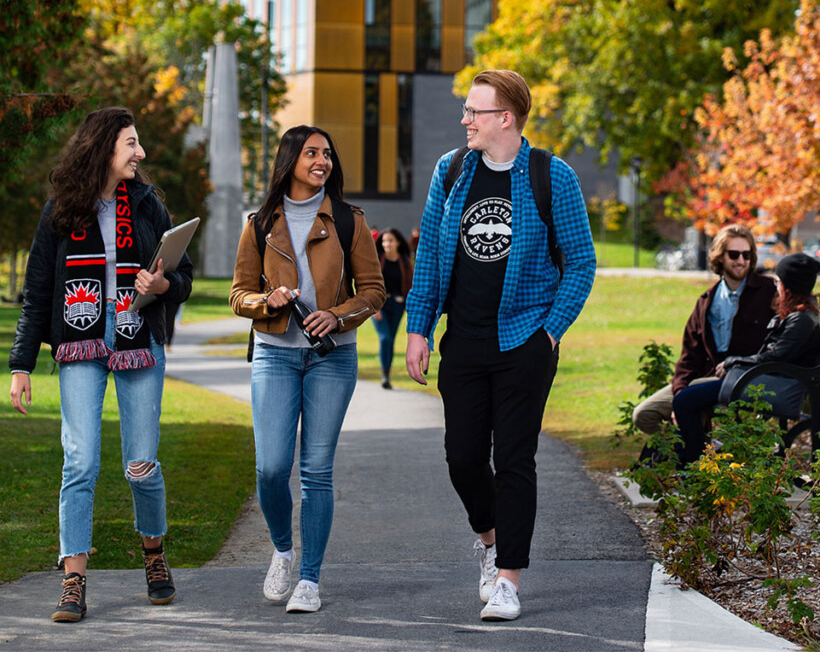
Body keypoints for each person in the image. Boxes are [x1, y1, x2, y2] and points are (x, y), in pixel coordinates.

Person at [405, 69, 596, 622]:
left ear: (505, 119)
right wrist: (419, 329)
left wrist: (550, 331)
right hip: (462, 342)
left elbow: (580, 264)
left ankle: (509, 578)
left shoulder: (551, 177)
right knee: (463, 457)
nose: (465, 120)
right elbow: (434, 260)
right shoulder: (453, 170)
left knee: (514, 459)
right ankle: (488, 542)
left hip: (523, 343)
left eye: (474, 111)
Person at [8, 107, 193, 622]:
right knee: (81, 461)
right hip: (79, 343)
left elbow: (183, 277)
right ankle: (73, 581)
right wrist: (21, 365)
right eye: (132, 143)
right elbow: (37, 292)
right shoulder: (61, 210)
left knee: (140, 465)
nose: (141, 153)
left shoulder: (149, 204)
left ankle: (154, 557)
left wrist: (163, 287)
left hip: (139, 341)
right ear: (104, 148)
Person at [230, 125, 385, 613]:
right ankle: (282, 550)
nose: (323, 161)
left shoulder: (348, 220)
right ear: (290, 158)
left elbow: (374, 291)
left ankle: (311, 581)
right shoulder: (259, 223)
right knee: (272, 467)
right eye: (312, 152)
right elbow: (238, 294)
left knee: (317, 470)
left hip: (332, 357)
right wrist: (266, 299)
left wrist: (337, 315)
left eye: (328, 154)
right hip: (274, 353)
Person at [672, 252, 820, 466]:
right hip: (772, 383)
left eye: (778, 281)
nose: (775, 285)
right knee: (692, 394)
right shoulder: (803, 316)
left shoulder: (801, 320)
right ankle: (694, 461)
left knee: (683, 401)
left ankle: (692, 464)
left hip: (773, 389)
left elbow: (774, 358)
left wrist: (732, 362)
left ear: (787, 286)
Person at [632, 224, 776, 445]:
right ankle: (702, 449)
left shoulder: (768, 292)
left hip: (745, 379)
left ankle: (696, 459)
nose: (741, 260)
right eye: (734, 254)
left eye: (746, 255)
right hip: (706, 378)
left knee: (692, 399)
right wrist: (678, 395)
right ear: (720, 257)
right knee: (644, 415)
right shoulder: (706, 301)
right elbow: (689, 356)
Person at [372, 227, 414, 389]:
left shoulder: (404, 261)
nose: (386, 244)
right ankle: (384, 375)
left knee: (391, 341)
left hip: (397, 305)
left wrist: (408, 306)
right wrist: (375, 308)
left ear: (397, 242)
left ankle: (386, 375)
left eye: (390, 240)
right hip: (379, 305)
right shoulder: (377, 260)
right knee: (385, 338)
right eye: (384, 241)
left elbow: (410, 285)